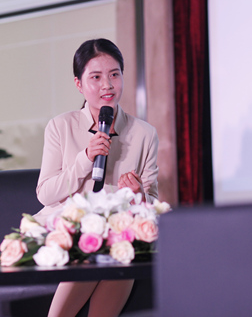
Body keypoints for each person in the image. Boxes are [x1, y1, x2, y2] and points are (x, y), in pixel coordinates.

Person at [34, 38, 159, 317]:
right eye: (96, 77)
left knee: (123, 245)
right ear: (79, 84)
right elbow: (46, 193)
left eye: (114, 75)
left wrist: (139, 195)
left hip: (118, 232)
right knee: (99, 244)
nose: (107, 85)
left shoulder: (145, 134)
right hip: (68, 228)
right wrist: (85, 159)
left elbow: (153, 203)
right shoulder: (60, 127)